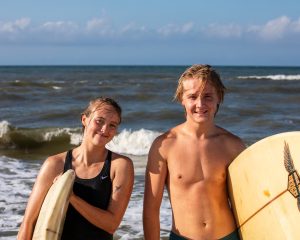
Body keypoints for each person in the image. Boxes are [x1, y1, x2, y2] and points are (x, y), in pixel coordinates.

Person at [143, 64, 246, 240]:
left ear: (218, 98)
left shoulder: (233, 145)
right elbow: (151, 210)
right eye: (192, 97)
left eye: (207, 96)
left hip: (228, 236)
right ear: (182, 99)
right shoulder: (165, 145)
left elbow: (249, 202)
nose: (200, 104)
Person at [18, 97, 134, 240]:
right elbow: (29, 222)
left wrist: (71, 196)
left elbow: (111, 224)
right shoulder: (55, 164)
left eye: (112, 125)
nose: (105, 129)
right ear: (84, 120)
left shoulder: (120, 165)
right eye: (99, 121)